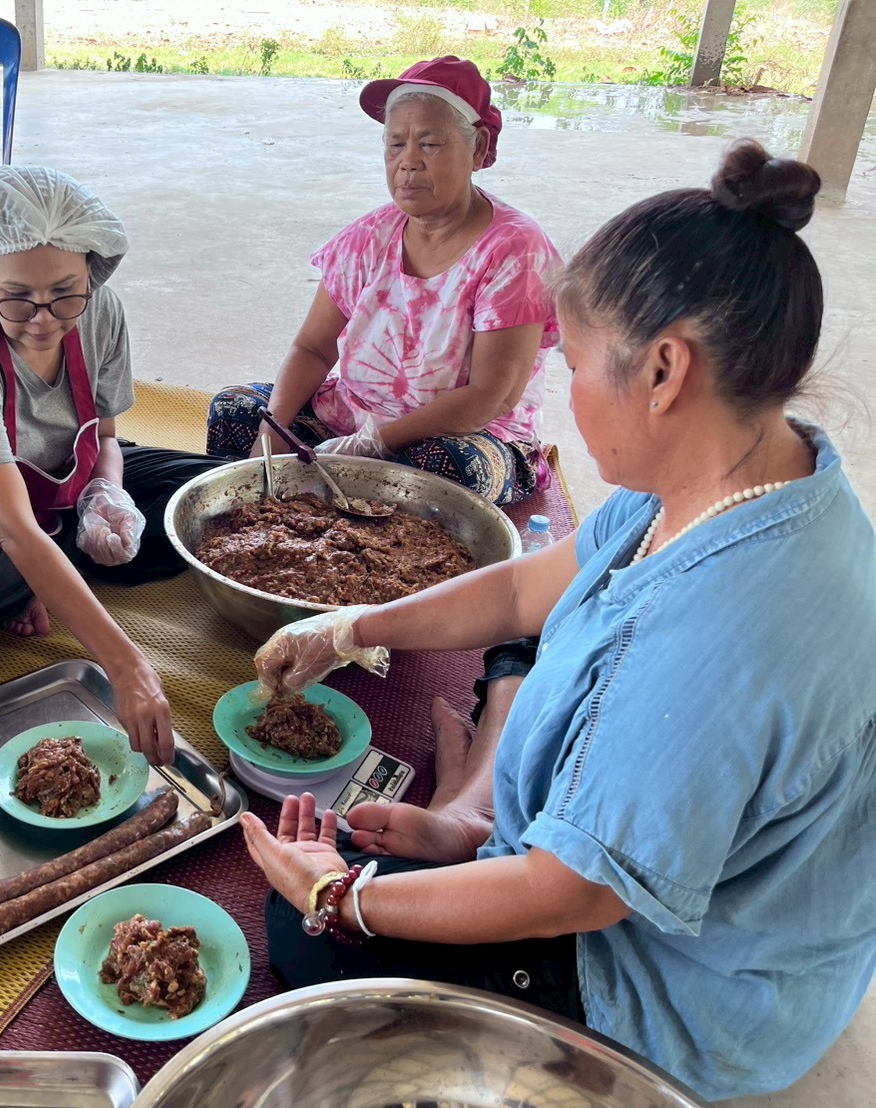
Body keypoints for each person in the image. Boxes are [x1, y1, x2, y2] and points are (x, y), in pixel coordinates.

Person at [238, 141, 876, 1101]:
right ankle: (481, 823)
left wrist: (347, 897)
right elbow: (522, 590)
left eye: (572, 365)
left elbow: (572, 895)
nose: (565, 399)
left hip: (672, 993)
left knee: (305, 937)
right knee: (520, 641)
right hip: (630, 878)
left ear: (663, 371)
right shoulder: (742, 472)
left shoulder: (725, 635)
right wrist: (352, 629)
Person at [0, 165, 223, 765]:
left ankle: (61, 565)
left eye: (65, 292)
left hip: (59, 479)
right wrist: (128, 666)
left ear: (93, 266)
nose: (43, 318)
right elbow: (10, 526)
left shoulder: (101, 312)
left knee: (207, 492)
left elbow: (105, 435)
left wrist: (105, 495)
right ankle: (51, 571)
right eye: (15, 298)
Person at [206, 56, 561, 507]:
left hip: (462, 434)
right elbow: (314, 348)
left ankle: (356, 539)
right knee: (236, 412)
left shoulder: (514, 248)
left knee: (444, 472)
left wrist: (372, 444)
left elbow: (492, 396)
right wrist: (270, 435)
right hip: (353, 416)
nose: (408, 163)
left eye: (429, 144)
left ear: (477, 148)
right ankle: (304, 524)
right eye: (395, 144)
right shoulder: (369, 236)